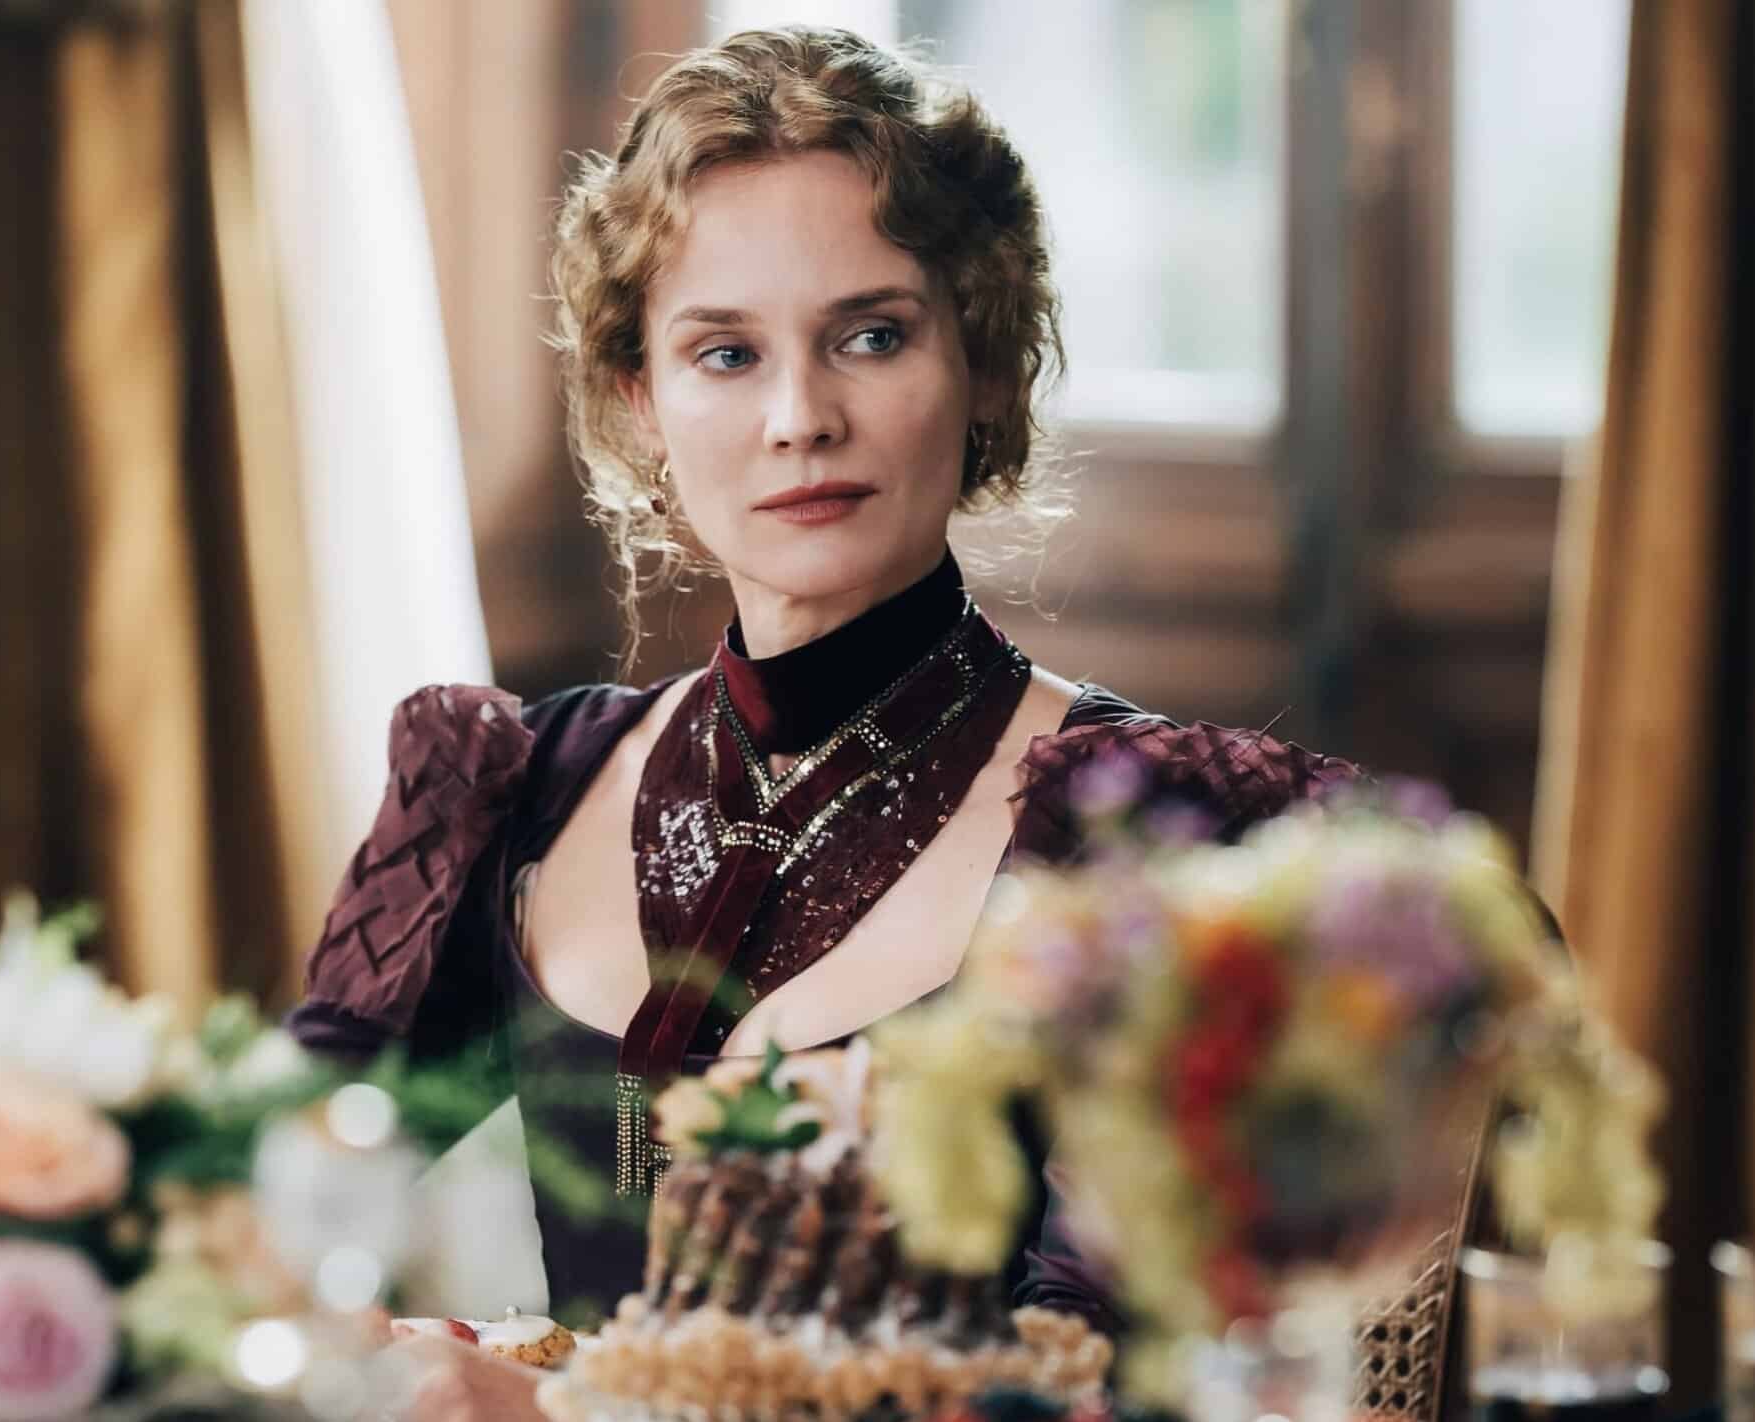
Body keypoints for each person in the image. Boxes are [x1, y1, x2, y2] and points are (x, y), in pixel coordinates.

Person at [288, 25, 1354, 1418]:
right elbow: (259, 1224)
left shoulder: (1140, 832)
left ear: (983, 360)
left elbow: (1105, 1387)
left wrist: (553, 1408)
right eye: (724, 353)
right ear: (641, 400)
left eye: (871, 336)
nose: (799, 416)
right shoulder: (517, 786)